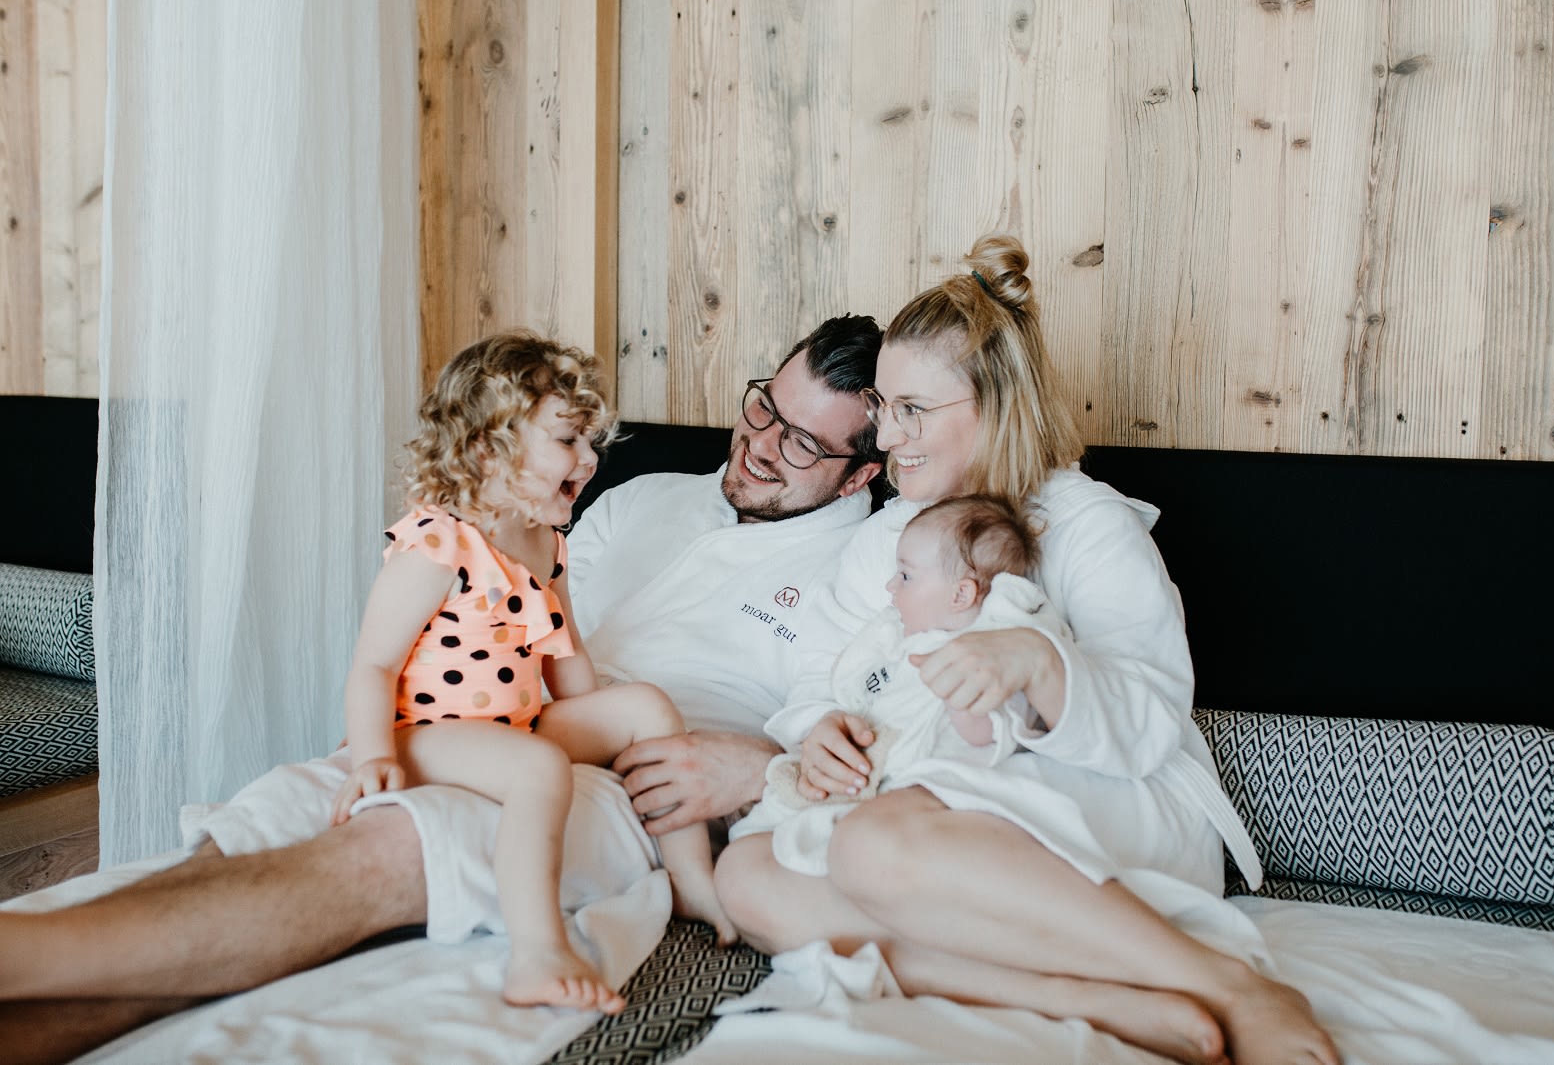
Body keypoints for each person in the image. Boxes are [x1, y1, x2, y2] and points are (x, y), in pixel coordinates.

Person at [0, 315, 884, 1063]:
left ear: (862, 472)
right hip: (499, 715)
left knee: (383, 851)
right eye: (764, 407)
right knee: (269, 828)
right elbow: (533, 621)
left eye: (802, 443)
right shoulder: (642, 498)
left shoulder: (869, 571)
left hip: (629, 780)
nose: (760, 444)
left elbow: (861, 738)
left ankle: (28, 954)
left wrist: (759, 765)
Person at [713, 234, 1341, 1065]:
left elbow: (1153, 721)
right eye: (882, 406)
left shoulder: (1089, 527)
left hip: (1107, 787)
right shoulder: (888, 537)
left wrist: (1042, 665)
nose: (887, 436)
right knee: (747, 875)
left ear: (995, 404)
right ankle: (1091, 999)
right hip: (924, 793)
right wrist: (820, 727)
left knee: (870, 846)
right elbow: (821, 670)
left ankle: (1227, 986)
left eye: (913, 411)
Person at [332, 332, 738, 1012]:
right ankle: (537, 952)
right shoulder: (438, 544)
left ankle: (692, 878)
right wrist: (373, 757)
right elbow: (373, 665)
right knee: (538, 768)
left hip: (511, 723)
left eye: (590, 440)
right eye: (568, 440)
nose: (590, 457)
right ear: (488, 451)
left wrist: (603, 727)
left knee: (645, 704)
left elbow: (566, 651)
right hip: (427, 734)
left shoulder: (547, 542)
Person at [734, 492, 1074, 876]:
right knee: (755, 838)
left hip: (924, 801)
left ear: (961, 594)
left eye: (906, 576)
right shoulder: (901, 638)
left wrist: (958, 695)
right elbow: (860, 693)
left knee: (778, 848)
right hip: (871, 771)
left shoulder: (992, 646)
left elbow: (984, 734)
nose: (891, 586)